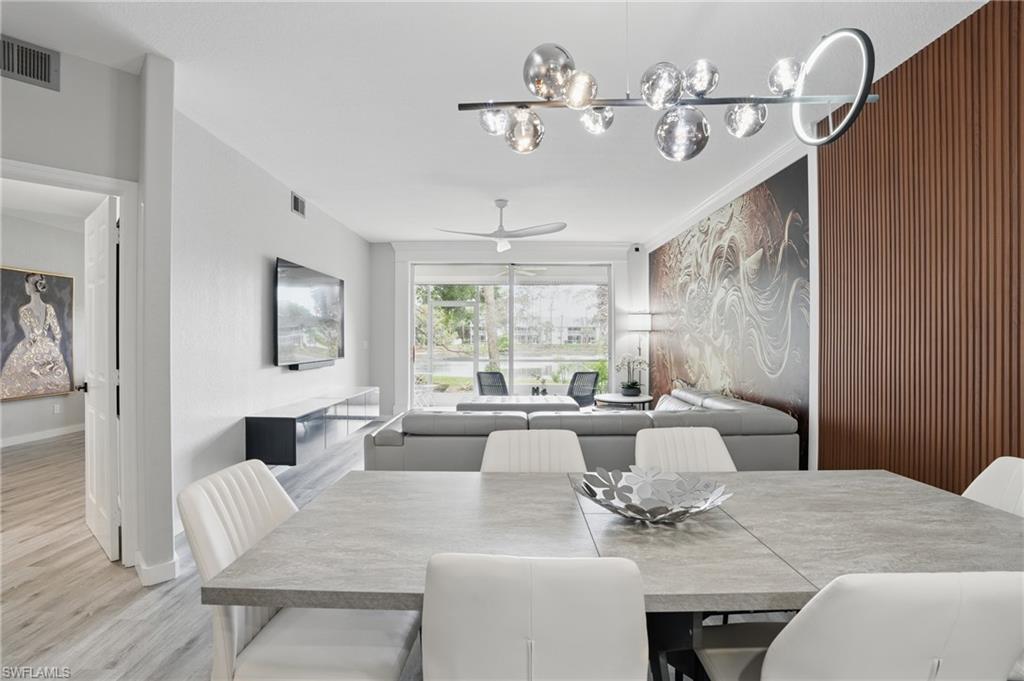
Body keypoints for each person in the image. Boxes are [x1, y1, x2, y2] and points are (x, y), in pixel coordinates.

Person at [0, 273, 71, 398]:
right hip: (49, 349)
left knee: (20, 381)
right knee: (50, 385)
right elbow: (58, 334)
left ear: (30, 286)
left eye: (27, 284)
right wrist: (54, 352)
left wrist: (26, 355)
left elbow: (30, 337)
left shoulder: (24, 310)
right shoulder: (49, 308)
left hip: (31, 349)